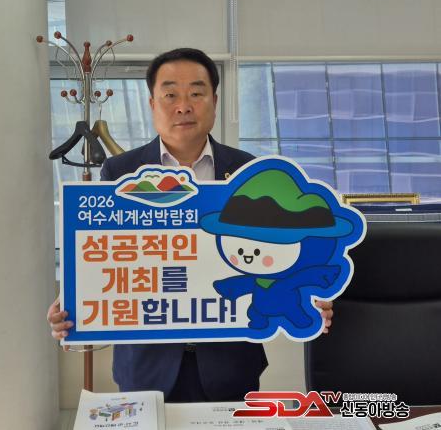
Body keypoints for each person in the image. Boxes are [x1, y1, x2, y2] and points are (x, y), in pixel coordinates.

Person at [47, 48, 334, 402]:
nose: (183, 106)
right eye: (170, 95)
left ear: (214, 101)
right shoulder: (120, 172)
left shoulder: (248, 171)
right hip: (147, 366)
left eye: (196, 93)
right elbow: (106, 256)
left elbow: (273, 248)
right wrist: (70, 301)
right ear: (152, 104)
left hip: (230, 362)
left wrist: (307, 295)